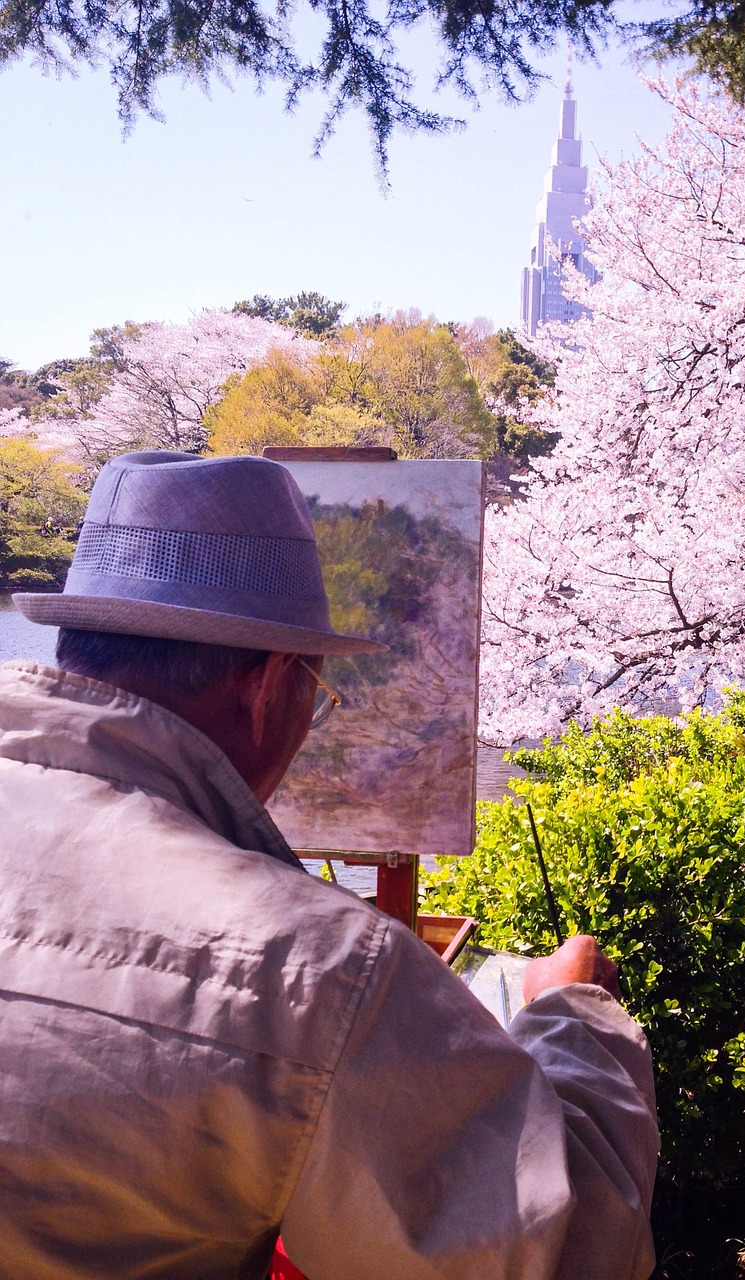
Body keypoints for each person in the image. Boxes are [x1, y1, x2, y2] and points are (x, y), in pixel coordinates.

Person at [0, 450, 659, 1280]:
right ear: (272, 688)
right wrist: (575, 1015)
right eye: (318, 687)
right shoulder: (319, 971)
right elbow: (557, 1257)